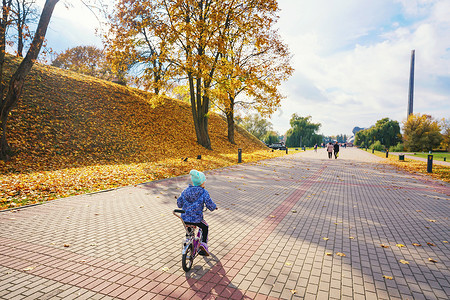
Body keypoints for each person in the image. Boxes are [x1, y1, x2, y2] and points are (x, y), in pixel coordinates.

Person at [177, 169, 217, 256]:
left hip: (185, 218)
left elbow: (179, 204)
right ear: (202, 182)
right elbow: (209, 204)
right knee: (205, 226)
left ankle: (188, 241)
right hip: (197, 219)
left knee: (189, 229)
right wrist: (214, 207)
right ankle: (203, 244)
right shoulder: (203, 192)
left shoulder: (185, 191)